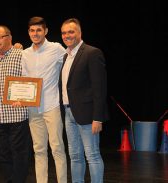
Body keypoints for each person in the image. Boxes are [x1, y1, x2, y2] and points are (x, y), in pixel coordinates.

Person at [59, 18, 107, 183]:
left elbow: (99, 88)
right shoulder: (66, 56)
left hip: (87, 115)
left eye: (71, 32)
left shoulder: (92, 53)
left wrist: (97, 117)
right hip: (68, 112)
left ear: (80, 33)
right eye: (64, 33)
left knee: (92, 155)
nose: (67, 35)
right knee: (75, 156)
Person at [20, 16, 67, 183]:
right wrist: (21, 97)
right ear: (28, 32)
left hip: (52, 105)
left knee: (57, 148)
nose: (35, 33)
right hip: (33, 108)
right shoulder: (24, 54)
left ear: (45, 31)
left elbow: (70, 62)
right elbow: (24, 80)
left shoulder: (56, 48)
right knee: (39, 150)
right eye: (32, 30)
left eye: (38, 30)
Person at [0, 25, 32, 183]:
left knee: (19, 153)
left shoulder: (21, 54)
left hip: (17, 115)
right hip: (0, 116)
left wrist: (25, 99)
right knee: (5, 154)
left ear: (10, 37)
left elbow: (31, 79)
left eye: (1, 37)